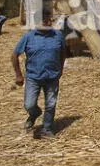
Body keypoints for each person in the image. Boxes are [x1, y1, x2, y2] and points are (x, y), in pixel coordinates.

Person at [11, 9, 67, 138]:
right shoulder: (28, 37)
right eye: (44, 20)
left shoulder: (58, 35)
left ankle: (47, 128)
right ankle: (34, 113)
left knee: (51, 104)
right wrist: (18, 75)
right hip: (33, 77)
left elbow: (63, 53)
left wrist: (61, 68)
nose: (47, 22)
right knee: (29, 104)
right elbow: (14, 55)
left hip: (52, 76)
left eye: (49, 20)